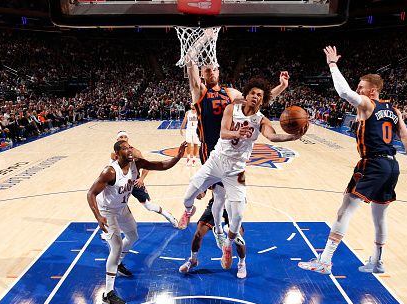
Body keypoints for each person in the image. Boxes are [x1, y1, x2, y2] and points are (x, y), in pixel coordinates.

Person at [299, 46, 407, 275]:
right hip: (392, 166)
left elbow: (344, 92)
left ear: (372, 90)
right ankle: (377, 262)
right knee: (380, 216)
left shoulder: (368, 104)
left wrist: (332, 65)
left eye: (361, 87)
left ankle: (325, 261)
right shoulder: (394, 110)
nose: (358, 90)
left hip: (372, 164)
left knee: (345, 211)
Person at [177, 28, 289, 260]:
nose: (209, 71)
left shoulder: (231, 93)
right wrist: (205, 38)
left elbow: (258, 100)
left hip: (232, 152)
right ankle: (207, 222)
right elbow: (189, 60)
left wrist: (281, 88)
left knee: (219, 198)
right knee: (206, 196)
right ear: (202, 73)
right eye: (205, 69)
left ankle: (221, 234)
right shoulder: (199, 92)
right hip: (211, 152)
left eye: (213, 68)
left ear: (218, 71)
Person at [179, 78, 302, 278]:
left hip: (236, 171)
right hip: (216, 162)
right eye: (253, 93)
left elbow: (272, 136)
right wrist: (238, 132)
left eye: (260, 95)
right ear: (246, 94)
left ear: (262, 101)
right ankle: (188, 210)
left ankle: (227, 246)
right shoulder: (231, 108)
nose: (255, 96)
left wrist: (292, 137)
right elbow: (223, 132)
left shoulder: (261, 120)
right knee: (188, 197)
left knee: (236, 221)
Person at [87, 140, 187, 304]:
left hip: (122, 208)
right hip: (107, 211)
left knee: (133, 235)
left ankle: (118, 263)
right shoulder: (110, 172)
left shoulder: (136, 164)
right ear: (117, 155)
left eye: (130, 146)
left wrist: (177, 157)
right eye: (125, 148)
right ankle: (108, 293)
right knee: (116, 246)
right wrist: (98, 216)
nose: (130, 149)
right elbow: (91, 193)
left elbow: (161, 165)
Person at [111, 131, 178, 227]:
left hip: (134, 181)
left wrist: (141, 179)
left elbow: (146, 166)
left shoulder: (135, 152)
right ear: (117, 139)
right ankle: (112, 229)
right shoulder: (113, 154)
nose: (123, 138)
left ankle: (168, 216)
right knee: (114, 206)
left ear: (128, 139)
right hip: (121, 183)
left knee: (149, 206)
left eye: (125, 137)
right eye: (121, 137)